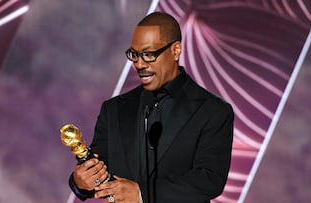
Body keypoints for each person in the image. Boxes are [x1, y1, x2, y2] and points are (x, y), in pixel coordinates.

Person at [68, 12, 234, 203]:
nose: (139, 64)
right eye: (135, 55)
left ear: (176, 50)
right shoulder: (113, 110)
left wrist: (142, 194)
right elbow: (98, 170)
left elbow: (209, 180)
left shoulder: (213, 112)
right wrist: (81, 182)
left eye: (148, 54)